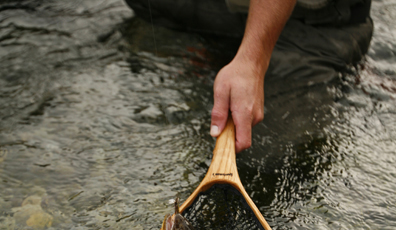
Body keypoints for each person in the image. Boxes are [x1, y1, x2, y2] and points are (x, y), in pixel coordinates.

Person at [124, 0, 373, 151]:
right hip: (216, 7)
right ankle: (217, 54)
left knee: (268, 157)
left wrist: (252, 61)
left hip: (310, 19)